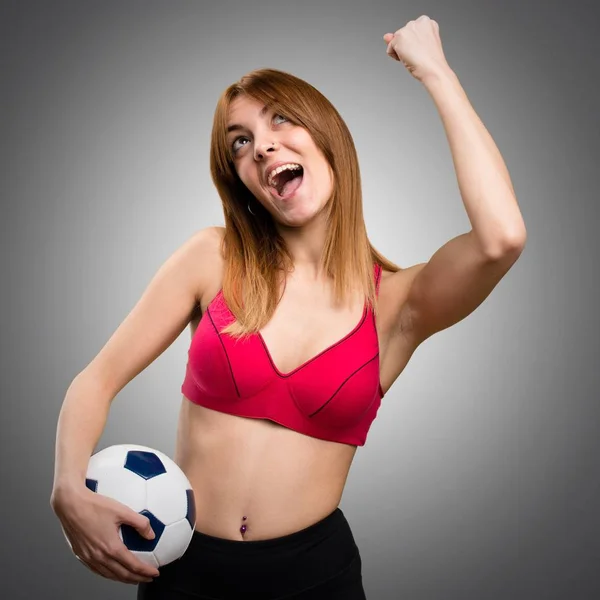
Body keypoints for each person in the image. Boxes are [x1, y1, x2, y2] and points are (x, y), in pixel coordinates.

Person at [50, 16, 526, 600]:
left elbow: (501, 237)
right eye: (240, 142)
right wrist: (68, 487)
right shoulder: (213, 258)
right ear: (244, 180)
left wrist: (434, 71)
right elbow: (95, 381)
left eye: (280, 119)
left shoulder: (397, 304)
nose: (262, 144)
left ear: (328, 136)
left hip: (314, 578)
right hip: (183, 574)